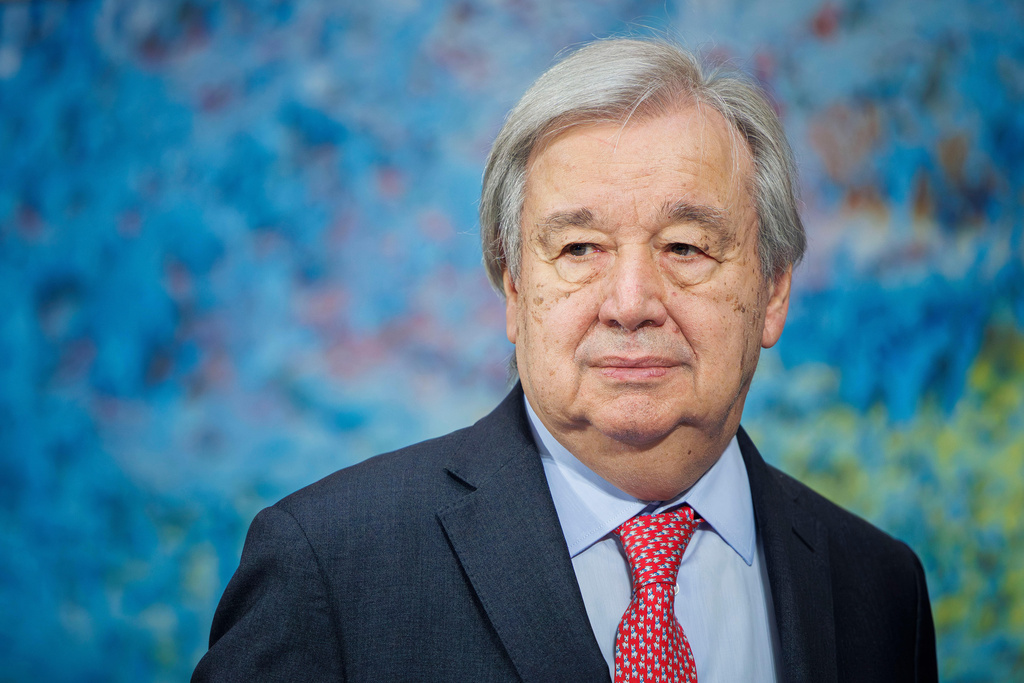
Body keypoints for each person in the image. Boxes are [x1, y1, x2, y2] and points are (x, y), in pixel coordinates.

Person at [193, 38, 937, 682]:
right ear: (515, 290)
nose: (631, 303)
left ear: (772, 291)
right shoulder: (330, 566)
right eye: (580, 248)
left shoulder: (879, 588)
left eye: (686, 247)